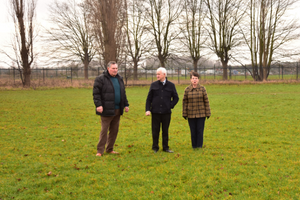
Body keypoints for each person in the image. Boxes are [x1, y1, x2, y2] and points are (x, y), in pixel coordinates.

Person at [93, 61, 129, 157]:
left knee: (114, 130)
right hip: (106, 109)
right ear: (108, 68)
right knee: (104, 131)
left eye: (116, 68)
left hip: (118, 109)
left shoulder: (119, 78)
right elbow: (96, 94)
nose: (115, 70)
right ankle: (100, 150)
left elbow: (123, 93)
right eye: (113, 68)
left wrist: (126, 104)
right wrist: (98, 105)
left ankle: (110, 149)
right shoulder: (100, 79)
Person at [145, 67, 179, 153]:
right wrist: (147, 109)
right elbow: (149, 99)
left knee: (165, 131)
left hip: (166, 113)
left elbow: (176, 98)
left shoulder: (171, 85)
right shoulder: (153, 85)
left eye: (158, 74)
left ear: (164, 74)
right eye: (156, 74)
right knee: (155, 130)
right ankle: (155, 147)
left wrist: (170, 105)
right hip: (155, 112)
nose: (157, 76)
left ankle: (165, 147)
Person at [182, 71, 211, 149]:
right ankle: (194, 145)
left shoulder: (203, 89)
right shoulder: (187, 89)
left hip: (201, 114)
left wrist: (208, 113)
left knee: (200, 130)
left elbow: (206, 101)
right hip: (190, 114)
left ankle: (199, 145)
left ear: (198, 80)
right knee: (193, 130)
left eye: (196, 78)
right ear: (190, 80)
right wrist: (184, 113)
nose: (194, 80)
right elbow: (184, 102)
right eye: (193, 78)